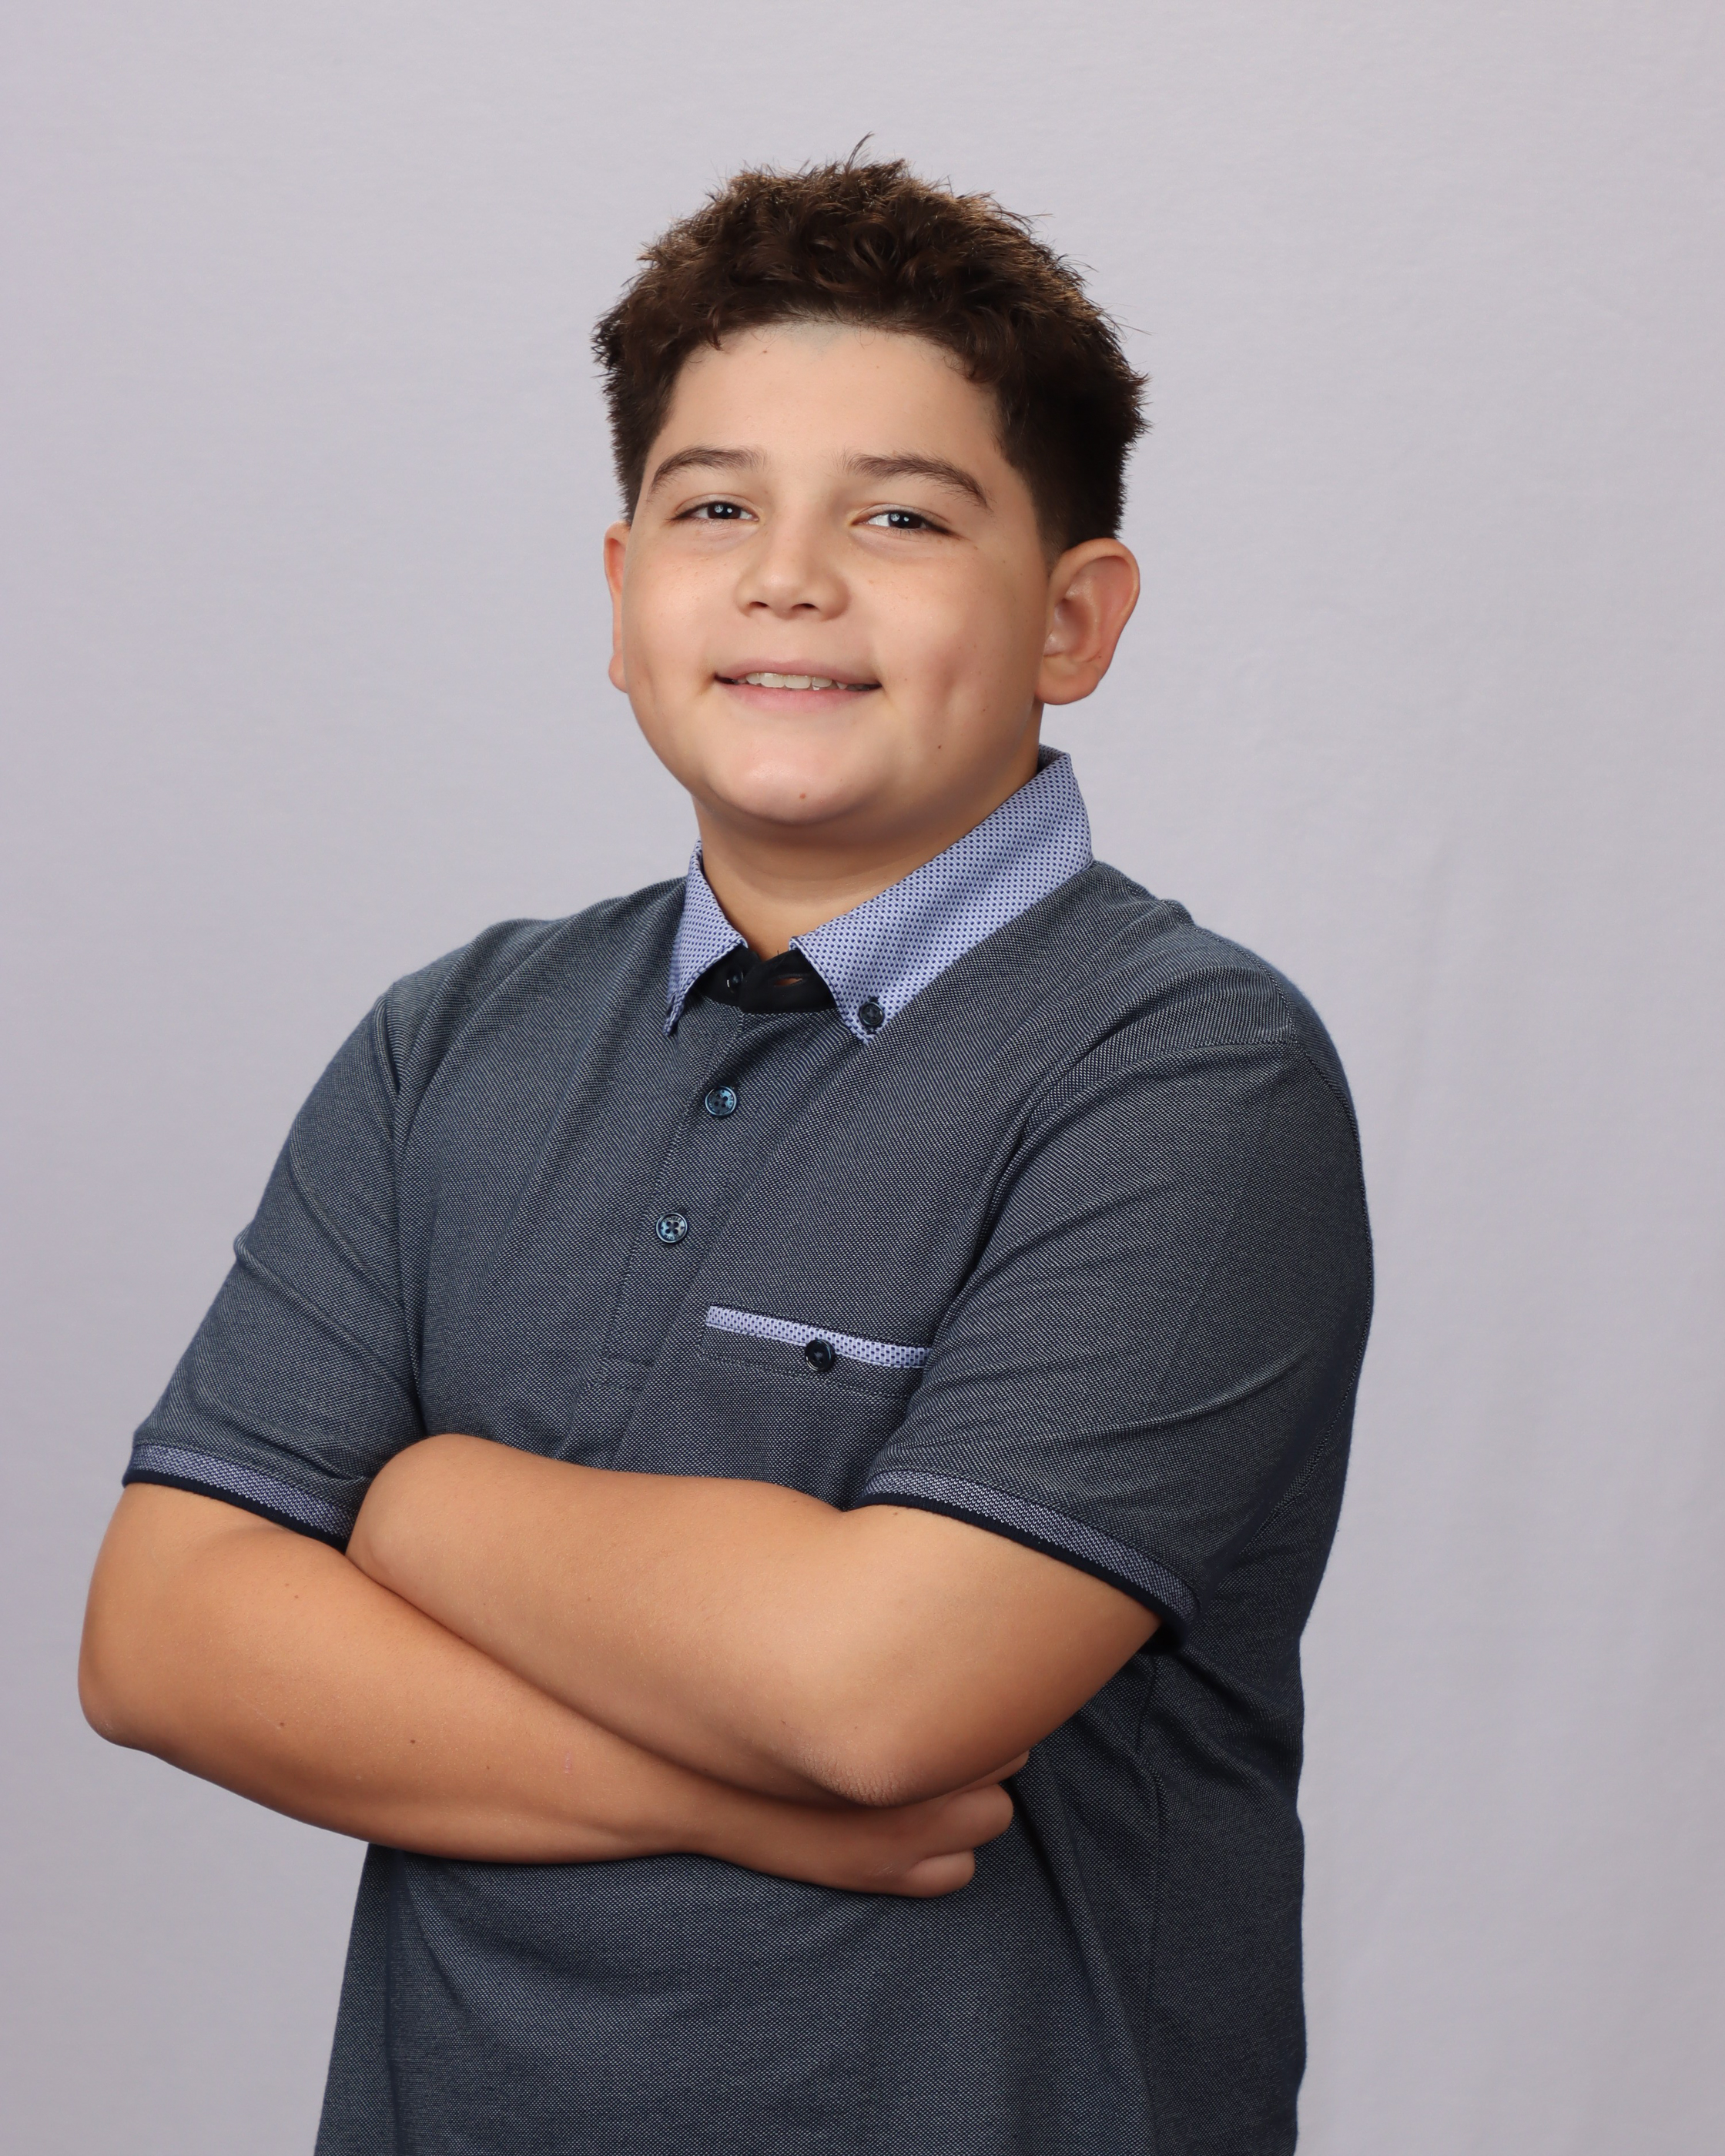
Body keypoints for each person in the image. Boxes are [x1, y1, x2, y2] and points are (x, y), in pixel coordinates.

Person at [79, 157, 1372, 2155]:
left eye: (899, 515)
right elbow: (165, 1640)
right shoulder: (452, 1040)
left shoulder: (1189, 1071)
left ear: (1074, 617)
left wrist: (415, 1498)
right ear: (623, 597)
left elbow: (886, 1693)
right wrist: (731, 1795)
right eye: (714, 509)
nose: (789, 578)